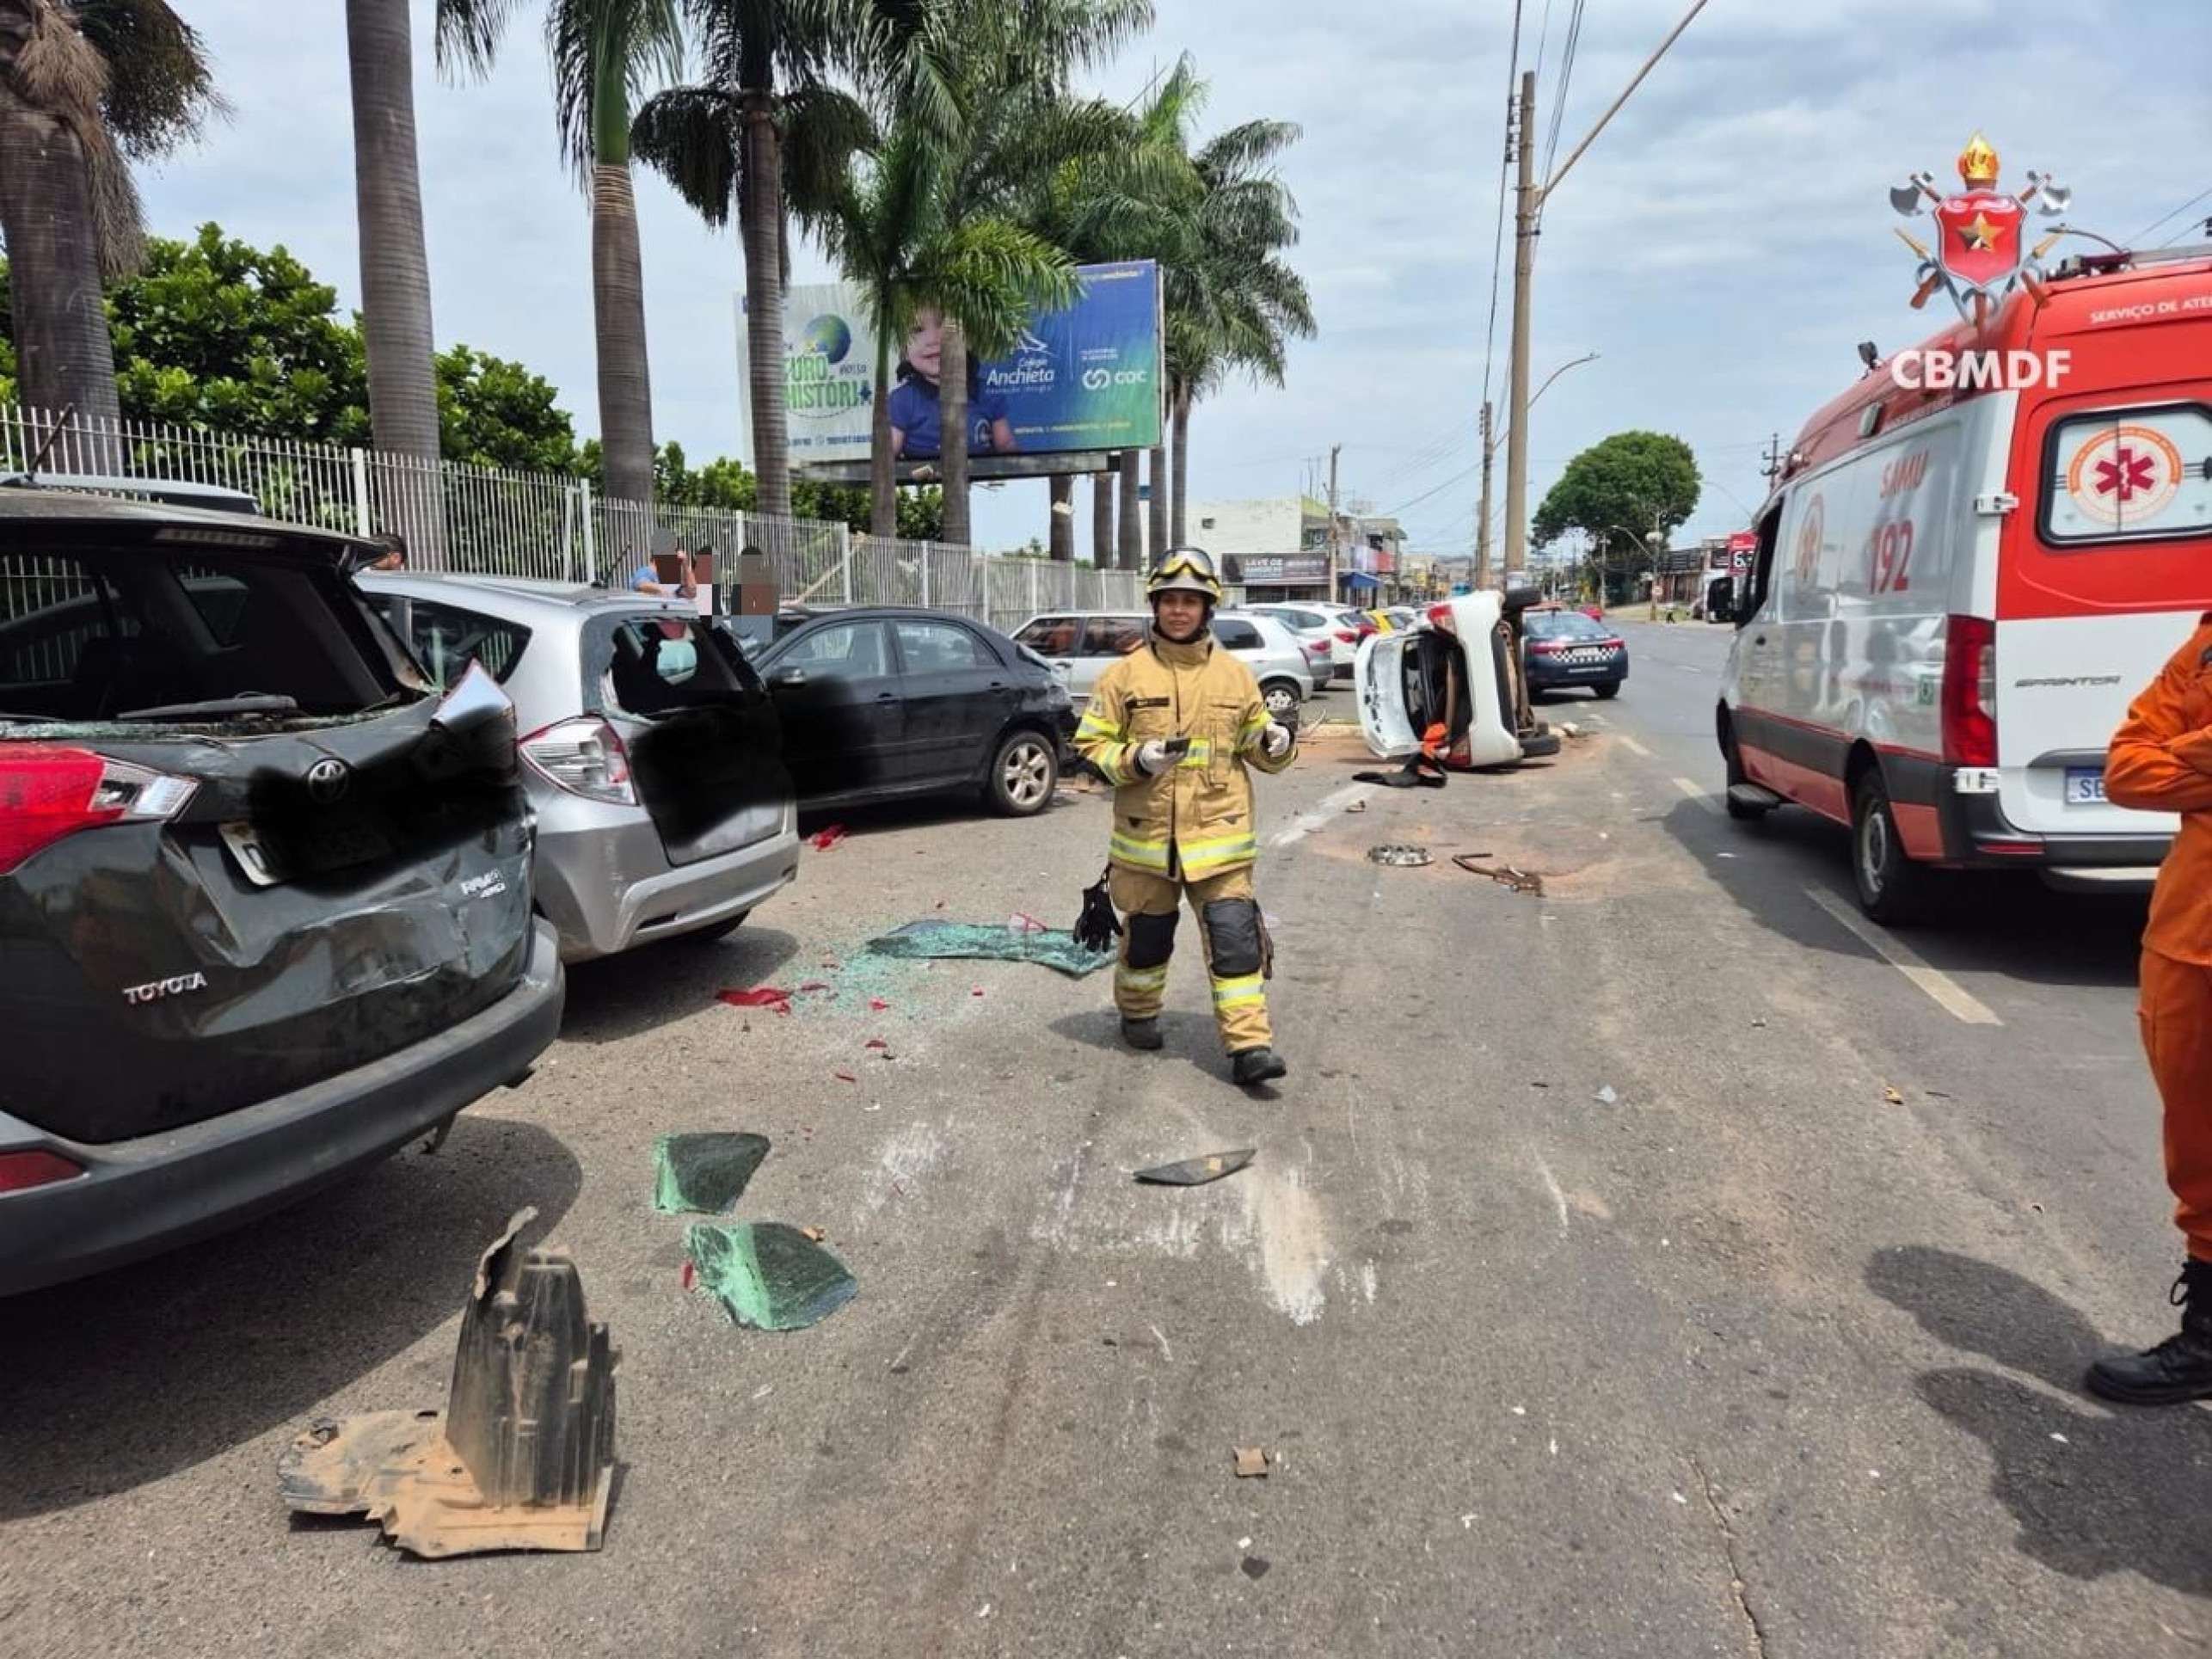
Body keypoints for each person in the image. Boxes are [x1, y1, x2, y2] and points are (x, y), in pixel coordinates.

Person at [1073, 547, 1297, 1087]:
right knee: (1148, 939)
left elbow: (1259, 751)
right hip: (1146, 843)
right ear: (1156, 606)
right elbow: (1089, 749)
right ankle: (1138, 1013)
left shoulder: (1236, 678)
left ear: (1207, 609)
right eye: (1170, 601)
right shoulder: (1123, 676)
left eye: (1189, 602)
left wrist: (1277, 741)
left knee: (1235, 939)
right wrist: (1136, 759)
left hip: (1220, 841)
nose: (1179, 611)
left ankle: (1250, 1047)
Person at [2088, 613, 2212, 1403]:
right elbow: (2126, 769)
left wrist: (2192, 754)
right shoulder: (2206, 642)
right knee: (2199, 1149)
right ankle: (2207, 1340)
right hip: (2191, 936)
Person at [888, 306, 1016, 461]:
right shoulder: (901, 400)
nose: (933, 339)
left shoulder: (986, 393)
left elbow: (1006, 446)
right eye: (917, 329)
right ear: (903, 350)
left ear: (968, 339)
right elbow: (888, 455)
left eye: (946, 325)